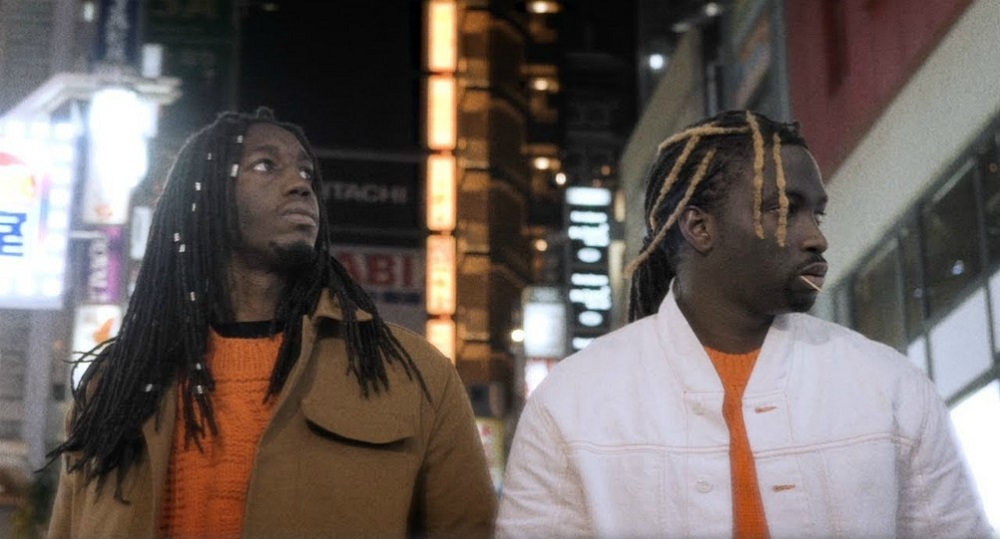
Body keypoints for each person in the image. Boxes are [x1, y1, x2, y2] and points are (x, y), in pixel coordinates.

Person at [496, 110, 993, 538]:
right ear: (699, 227)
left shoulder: (891, 386)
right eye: (785, 210)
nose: (816, 237)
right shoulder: (572, 401)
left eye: (817, 214)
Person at [46, 108, 497, 539]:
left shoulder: (413, 375)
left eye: (307, 173)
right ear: (204, 196)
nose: (300, 185)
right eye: (266, 165)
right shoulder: (114, 384)